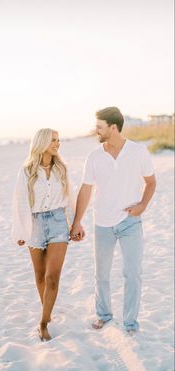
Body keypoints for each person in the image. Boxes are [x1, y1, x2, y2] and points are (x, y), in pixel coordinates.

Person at [71, 107, 156, 334]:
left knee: (132, 273)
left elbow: (151, 182)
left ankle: (130, 323)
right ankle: (104, 315)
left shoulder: (138, 152)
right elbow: (86, 189)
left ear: (113, 127)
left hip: (130, 223)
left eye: (99, 127)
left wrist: (142, 206)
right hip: (102, 223)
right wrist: (77, 222)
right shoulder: (94, 156)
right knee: (102, 274)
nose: (95, 130)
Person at [11, 128, 75, 341]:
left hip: (58, 223)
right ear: (42, 142)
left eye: (59, 139)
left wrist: (75, 224)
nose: (58, 143)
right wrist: (19, 230)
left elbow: (70, 197)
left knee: (52, 277)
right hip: (34, 224)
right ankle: (46, 308)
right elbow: (19, 202)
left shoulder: (61, 169)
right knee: (39, 276)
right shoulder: (27, 170)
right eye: (53, 140)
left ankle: (43, 322)